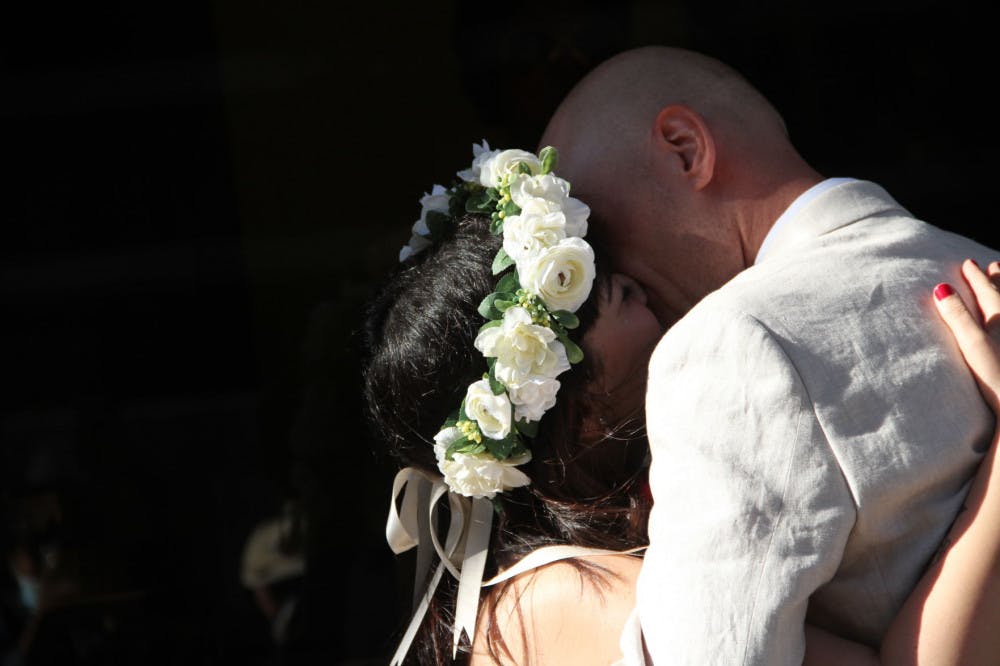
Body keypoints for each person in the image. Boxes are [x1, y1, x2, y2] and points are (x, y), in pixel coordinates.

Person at [364, 145, 1000, 664]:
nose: (620, 277)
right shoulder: (562, 593)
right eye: (573, 296)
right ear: (546, 402)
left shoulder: (579, 569)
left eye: (595, 250)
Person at [540, 46, 1000, 664]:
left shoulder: (734, 343)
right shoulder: (976, 263)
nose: (609, 272)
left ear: (685, 147)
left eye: (600, 232)